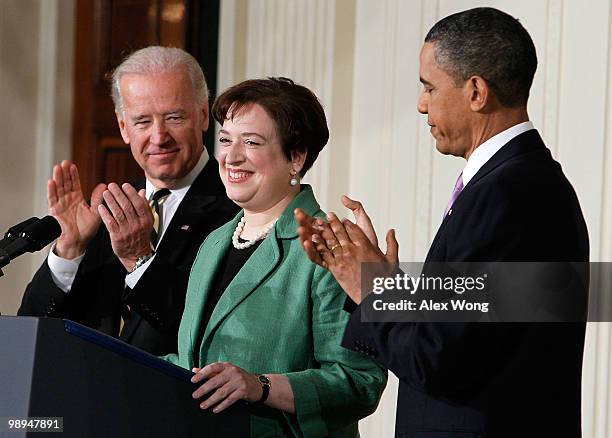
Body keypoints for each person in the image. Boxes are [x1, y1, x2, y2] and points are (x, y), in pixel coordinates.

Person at [296, 7, 589, 437]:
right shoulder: (519, 183)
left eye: (428, 87)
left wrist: (372, 288)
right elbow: (466, 335)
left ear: (475, 92)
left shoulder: (508, 194)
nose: (420, 105)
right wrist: (389, 287)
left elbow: (440, 359)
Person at [163, 77, 386, 437]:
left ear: (296, 157)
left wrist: (261, 386)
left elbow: (359, 381)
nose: (231, 156)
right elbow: (195, 364)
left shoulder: (331, 249)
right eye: (225, 140)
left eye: (251, 142)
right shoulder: (214, 243)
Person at [18, 46, 239, 355]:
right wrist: (69, 250)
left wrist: (140, 258)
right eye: (142, 122)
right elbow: (31, 326)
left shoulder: (238, 208)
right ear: (123, 127)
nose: (159, 137)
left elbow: (212, 335)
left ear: (203, 116)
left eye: (174, 118)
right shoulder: (108, 209)